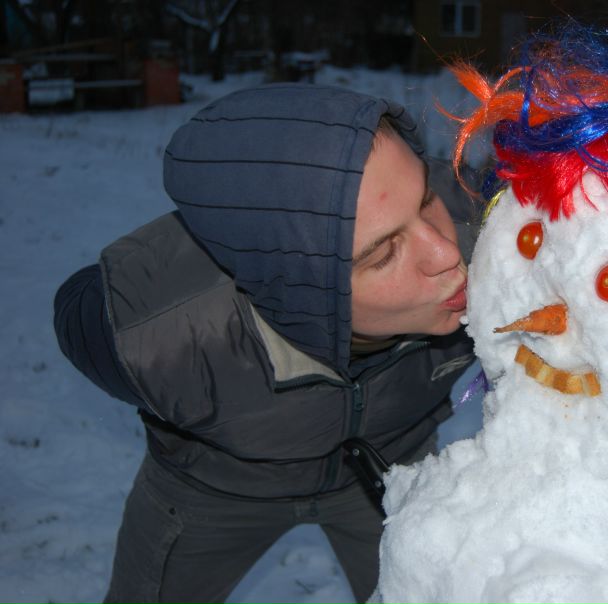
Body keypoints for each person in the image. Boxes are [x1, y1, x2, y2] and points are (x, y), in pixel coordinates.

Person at [53, 83, 479, 604]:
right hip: (220, 490)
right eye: (383, 254)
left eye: (427, 198)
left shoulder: (497, 244)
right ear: (294, 289)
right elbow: (81, 313)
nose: (446, 253)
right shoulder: (168, 336)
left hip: (391, 469)